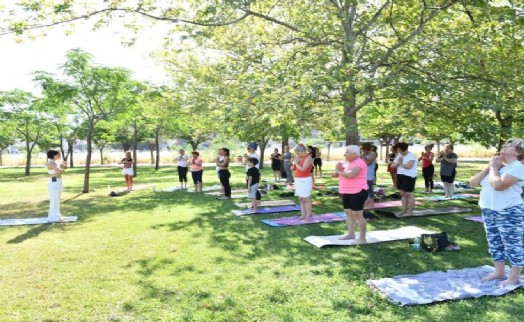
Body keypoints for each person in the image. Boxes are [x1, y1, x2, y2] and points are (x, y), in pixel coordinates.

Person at [469, 138, 524, 286]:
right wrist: (489, 167)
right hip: (489, 210)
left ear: (518, 152)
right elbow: (473, 182)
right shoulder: (497, 166)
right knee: (494, 242)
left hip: (509, 211)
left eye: (510, 145)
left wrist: (493, 169)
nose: (505, 145)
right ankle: (499, 272)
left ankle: (514, 277)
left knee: (512, 244)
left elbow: (498, 185)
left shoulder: (518, 167)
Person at [332, 145, 369, 243]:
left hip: (358, 191)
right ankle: (350, 234)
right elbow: (334, 174)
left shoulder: (360, 163)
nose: (345, 154)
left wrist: (339, 171)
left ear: (355, 154)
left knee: (357, 215)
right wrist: (337, 169)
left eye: (347, 152)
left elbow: (351, 175)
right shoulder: (345, 162)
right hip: (346, 191)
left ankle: (362, 238)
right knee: (348, 213)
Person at [391, 142, 418, 217]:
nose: (398, 151)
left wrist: (399, 164)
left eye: (399, 150)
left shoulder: (411, 156)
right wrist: (397, 163)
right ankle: (404, 210)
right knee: (402, 194)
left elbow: (409, 166)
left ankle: (410, 212)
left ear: (404, 149)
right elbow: (392, 166)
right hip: (400, 175)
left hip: (409, 176)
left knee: (409, 194)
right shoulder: (399, 156)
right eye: (397, 150)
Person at [292, 144, 313, 221]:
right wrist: (294, 163)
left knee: (306, 198)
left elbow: (303, 169)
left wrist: (296, 163)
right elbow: (292, 168)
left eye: (297, 153)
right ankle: (303, 215)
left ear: (302, 151)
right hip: (297, 179)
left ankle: (308, 215)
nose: (297, 155)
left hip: (305, 179)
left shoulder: (308, 158)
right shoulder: (298, 158)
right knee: (300, 198)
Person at [47, 149, 67, 222]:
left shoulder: (55, 162)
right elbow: (59, 171)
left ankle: (58, 216)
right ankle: (53, 217)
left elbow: (61, 171)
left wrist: (62, 166)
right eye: (58, 154)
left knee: (57, 199)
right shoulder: (51, 162)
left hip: (58, 181)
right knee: (54, 199)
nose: (60, 155)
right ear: (53, 155)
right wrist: (63, 166)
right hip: (54, 182)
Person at [361, 143, 377, 209]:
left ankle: (371, 204)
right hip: (363, 174)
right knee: (364, 189)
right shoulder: (364, 154)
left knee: (369, 189)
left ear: (365, 149)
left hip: (369, 174)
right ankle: (366, 202)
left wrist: (363, 156)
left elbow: (367, 163)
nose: (362, 150)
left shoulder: (373, 154)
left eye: (363, 149)